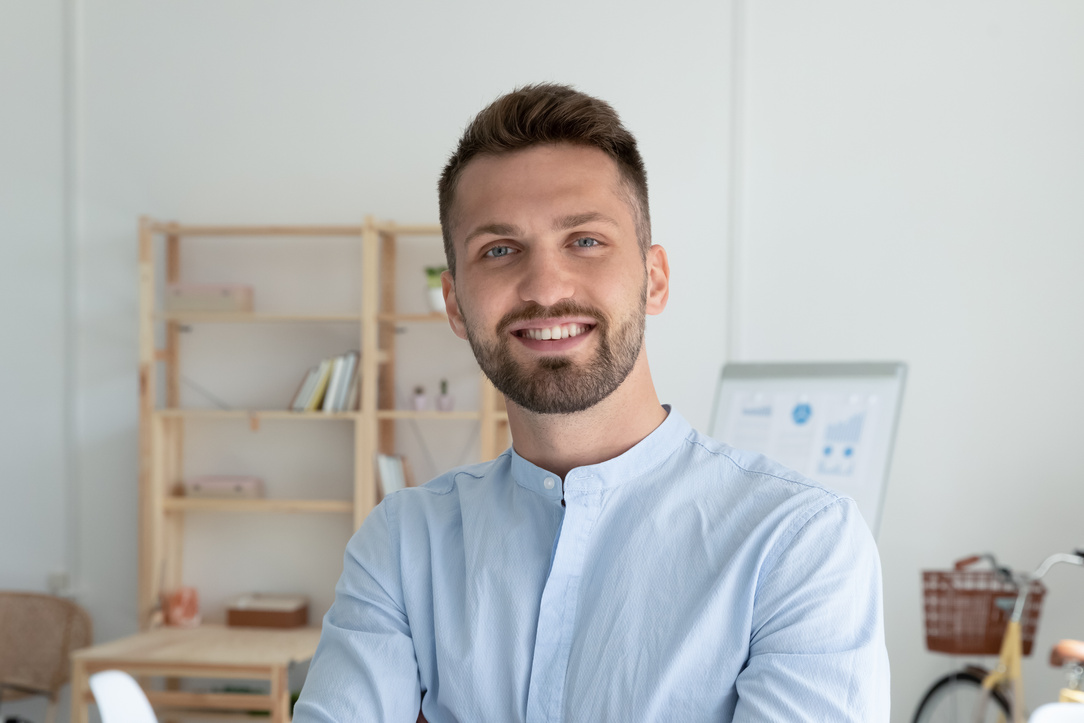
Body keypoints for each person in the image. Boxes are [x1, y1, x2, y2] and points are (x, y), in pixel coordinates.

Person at [293, 83, 889, 722]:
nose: (546, 287)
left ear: (654, 279)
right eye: (499, 250)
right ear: (455, 305)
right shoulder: (404, 544)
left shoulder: (796, 543)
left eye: (584, 241)